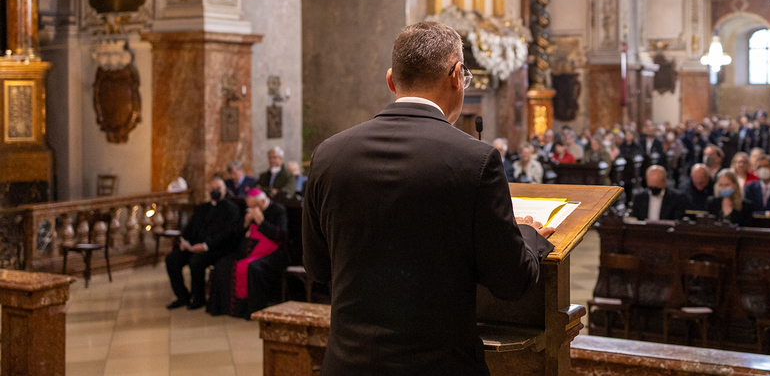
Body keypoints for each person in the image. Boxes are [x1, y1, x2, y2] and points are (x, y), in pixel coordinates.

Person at [301, 21, 555, 375]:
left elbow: (317, 269)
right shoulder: (475, 161)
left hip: (348, 365)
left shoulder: (328, 154)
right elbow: (511, 282)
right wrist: (528, 234)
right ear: (456, 75)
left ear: (391, 80)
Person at [206, 188, 288, 319]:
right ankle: (225, 308)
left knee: (254, 268)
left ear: (261, 202)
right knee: (222, 264)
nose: (250, 209)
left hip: (271, 253)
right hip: (248, 251)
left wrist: (261, 222)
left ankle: (252, 310)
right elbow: (236, 233)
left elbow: (280, 236)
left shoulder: (278, 210)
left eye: (253, 206)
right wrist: (245, 222)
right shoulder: (249, 211)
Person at [165, 175, 240, 310]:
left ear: (224, 190)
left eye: (218, 188)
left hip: (216, 248)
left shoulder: (231, 209)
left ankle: (199, 298)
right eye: (212, 188)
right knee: (172, 259)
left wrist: (205, 246)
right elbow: (190, 227)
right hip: (194, 246)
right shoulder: (202, 208)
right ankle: (182, 296)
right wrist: (185, 241)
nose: (215, 191)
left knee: (196, 261)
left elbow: (225, 234)